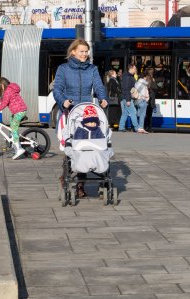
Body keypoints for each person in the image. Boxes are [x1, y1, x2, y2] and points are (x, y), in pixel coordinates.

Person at [52, 38, 108, 198]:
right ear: (73, 52)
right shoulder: (63, 69)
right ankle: (66, 178)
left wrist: (103, 98)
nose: (84, 54)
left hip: (87, 112)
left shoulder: (92, 69)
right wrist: (63, 101)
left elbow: (98, 86)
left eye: (86, 51)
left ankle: (80, 185)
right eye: (81, 51)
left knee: (87, 147)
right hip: (70, 112)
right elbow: (58, 89)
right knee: (71, 147)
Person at [0, 77, 28, 160]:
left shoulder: (8, 90)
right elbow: (3, 100)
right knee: (11, 123)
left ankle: (19, 148)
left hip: (19, 111)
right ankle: (14, 141)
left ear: (2, 85)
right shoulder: (9, 89)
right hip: (18, 111)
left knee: (14, 128)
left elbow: (5, 102)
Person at [118, 64, 140, 133]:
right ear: (131, 68)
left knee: (125, 113)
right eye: (135, 69)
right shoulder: (127, 77)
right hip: (127, 97)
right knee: (133, 112)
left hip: (126, 97)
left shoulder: (128, 76)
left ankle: (121, 127)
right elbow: (126, 89)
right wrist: (128, 100)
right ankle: (136, 128)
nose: (135, 70)